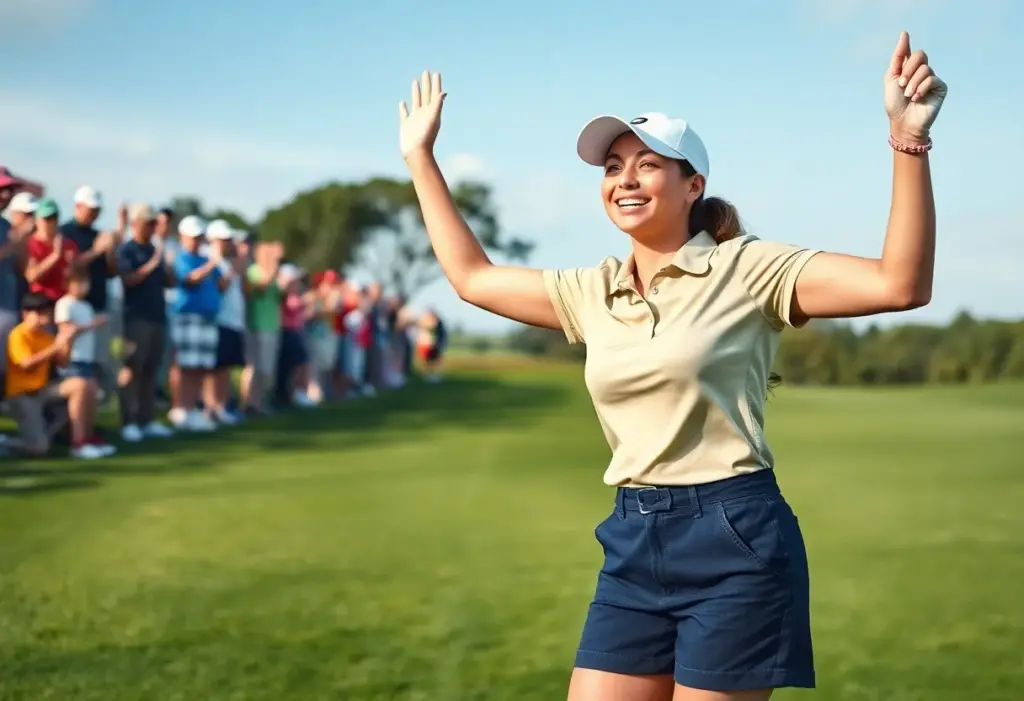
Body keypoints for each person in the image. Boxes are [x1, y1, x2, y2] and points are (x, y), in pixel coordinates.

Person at [396, 32, 946, 701]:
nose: (625, 177)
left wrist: (907, 139)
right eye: (612, 166)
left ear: (693, 185)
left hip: (735, 540)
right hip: (632, 540)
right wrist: (420, 158)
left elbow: (900, 282)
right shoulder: (591, 289)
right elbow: (472, 277)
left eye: (647, 163)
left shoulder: (746, 267)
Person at [6, 292, 111, 459]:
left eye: (47, 313)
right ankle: (10, 443)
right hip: (23, 396)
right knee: (39, 449)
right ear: (25, 313)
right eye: (39, 313)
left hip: (43, 390)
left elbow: (62, 363)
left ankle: (82, 440)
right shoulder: (19, 335)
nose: (44, 318)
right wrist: (56, 347)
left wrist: (68, 341)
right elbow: (27, 365)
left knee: (83, 385)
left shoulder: (46, 336)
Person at [116, 203, 175, 442]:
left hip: (157, 316)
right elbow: (128, 279)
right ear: (136, 224)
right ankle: (127, 421)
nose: (154, 228)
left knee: (151, 370)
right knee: (132, 369)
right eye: (149, 223)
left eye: (155, 223)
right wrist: (152, 264)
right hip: (136, 318)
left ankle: (146, 419)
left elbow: (170, 282)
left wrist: (165, 263)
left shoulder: (155, 248)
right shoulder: (128, 250)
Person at [60, 186, 124, 398]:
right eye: (90, 209)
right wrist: (96, 250)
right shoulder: (66, 232)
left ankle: (90, 413)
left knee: (97, 360)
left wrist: (110, 251)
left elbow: (112, 272)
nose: (94, 214)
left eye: (96, 210)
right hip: (74, 308)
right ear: (78, 206)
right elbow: (70, 268)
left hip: (97, 304)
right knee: (75, 363)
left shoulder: (99, 235)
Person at [54, 270, 117, 456]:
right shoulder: (65, 304)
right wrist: (92, 324)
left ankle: (89, 436)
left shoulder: (86, 306)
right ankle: (78, 440)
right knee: (80, 397)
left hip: (86, 359)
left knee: (91, 397)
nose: (83, 287)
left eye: (85, 282)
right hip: (72, 360)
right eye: (78, 282)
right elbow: (67, 331)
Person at [167, 215, 221, 431]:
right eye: (192, 237)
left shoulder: (203, 258)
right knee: (185, 365)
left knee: (200, 367)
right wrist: (213, 262)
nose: (196, 241)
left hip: (206, 317)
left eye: (199, 237)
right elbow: (190, 279)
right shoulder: (181, 258)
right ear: (182, 237)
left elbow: (221, 283)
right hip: (187, 316)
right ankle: (180, 409)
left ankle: (191, 409)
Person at [240, 239, 283, 415]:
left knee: (265, 370)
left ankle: (257, 403)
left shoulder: (273, 275)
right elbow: (258, 288)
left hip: (271, 326)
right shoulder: (253, 271)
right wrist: (273, 270)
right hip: (256, 325)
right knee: (253, 367)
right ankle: (247, 402)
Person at [25, 198, 78, 303]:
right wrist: (55, 255)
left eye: (54, 218)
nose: (50, 222)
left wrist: (72, 266)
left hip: (62, 304)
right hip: (40, 303)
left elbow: (76, 279)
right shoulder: (30, 244)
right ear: (37, 220)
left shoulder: (69, 245)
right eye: (46, 218)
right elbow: (31, 276)